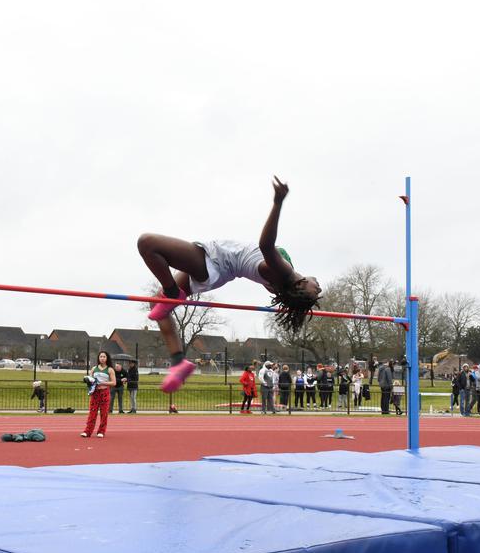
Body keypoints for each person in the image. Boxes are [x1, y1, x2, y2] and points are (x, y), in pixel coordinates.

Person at [138, 176, 323, 393]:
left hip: (217, 261)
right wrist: (300, 307)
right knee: (157, 306)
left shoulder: (285, 274)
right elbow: (296, 302)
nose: (319, 288)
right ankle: (178, 361)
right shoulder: (286, 284)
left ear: (300, 286)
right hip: (220, 264)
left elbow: (266, 244)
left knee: (147, 243)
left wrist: (278, 202)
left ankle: (172, 291)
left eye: (314, 292)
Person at [81, 351, 116, 438]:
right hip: (95, 393)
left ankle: (101, 431)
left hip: (104, 392)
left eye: (104, 357)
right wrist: (88, 381)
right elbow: (90, 379)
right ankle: (87, 431)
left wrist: (103, 383)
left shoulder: (110, 369)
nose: (102, 358)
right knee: (92, 412)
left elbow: (114, 382)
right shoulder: (94, 368)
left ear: (107, 358)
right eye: (101, 356)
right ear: (98, 358)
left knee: (104, 413)